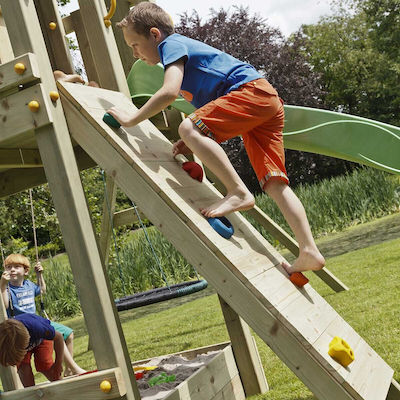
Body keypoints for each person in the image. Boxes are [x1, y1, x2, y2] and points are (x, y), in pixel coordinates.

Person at [104, 2, 325, 275]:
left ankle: (238, 192)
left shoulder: (170, 45)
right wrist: (193, 139)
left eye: (134, 45)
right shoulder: (183, 57)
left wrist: (132, 118)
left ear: (154, 34)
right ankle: (309, 250)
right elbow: (214, 112)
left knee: (188, 127)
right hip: (264, 100)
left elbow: (169, 92)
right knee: (274, 182)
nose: (136, 54)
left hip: (250, 92)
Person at [0, 254, 85, 376]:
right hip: (20, 328)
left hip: (36, 322)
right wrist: (2, 285)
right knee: (23, 363)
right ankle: (74, 369)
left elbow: (42, 290)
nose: (12, 269)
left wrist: (40, 275)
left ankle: (69, 369)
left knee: (68, 334)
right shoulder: (7, 289)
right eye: (8, 267)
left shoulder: (28, 284)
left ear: (26, 271)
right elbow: (5, 305)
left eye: (17, 266)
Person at [0, 313, 64, 387]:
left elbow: (59, 338)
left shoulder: (38, 328)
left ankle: (61, 387)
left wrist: (58, 364)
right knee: (23, 368)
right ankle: (31, 393)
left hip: (42, 339)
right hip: (17, 345)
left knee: (45, 364)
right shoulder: (5, 340)